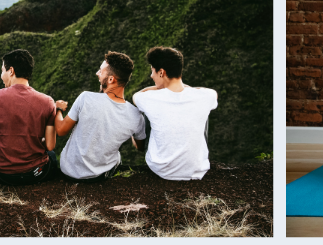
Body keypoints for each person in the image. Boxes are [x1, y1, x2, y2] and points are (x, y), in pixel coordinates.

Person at [53, 51, 146, 181]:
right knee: (117, 156)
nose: (97, 73)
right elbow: (140, 147)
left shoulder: (85, 98)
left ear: (111, 79)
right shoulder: (136, 116)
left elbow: (61, 130)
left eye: (101, 71)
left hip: (69, 171)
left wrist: (58, 109)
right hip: (99, 176)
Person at [132, 46, 217, 181]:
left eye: (152, 71)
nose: (151, 75)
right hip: (196, 171)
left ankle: (143, 149)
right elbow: (211, 92)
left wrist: (158, 88)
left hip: (161, 170)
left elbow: (136, 96)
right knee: (202, 112)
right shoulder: (206, 96)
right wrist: (186, 89)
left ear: (161, 72)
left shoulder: (148, 98)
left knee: (147, 112)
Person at [0, 49, 57, 185]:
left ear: (11, 71)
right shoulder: (48, 102)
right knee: (52, 156)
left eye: (2, 70)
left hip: (4, 175)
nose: (1, 75)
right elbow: (50, 145)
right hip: (36, 174)